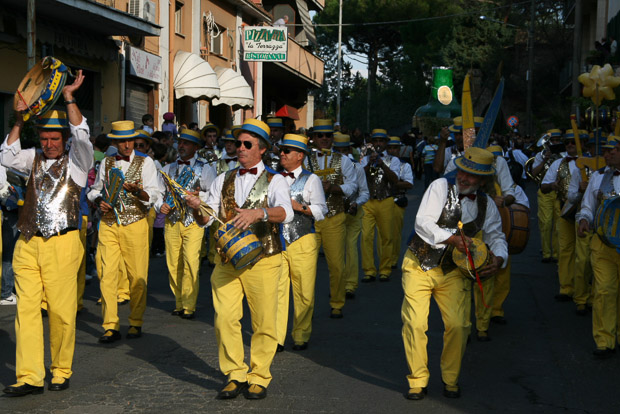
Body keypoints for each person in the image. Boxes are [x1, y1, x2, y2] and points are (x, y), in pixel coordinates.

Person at [2, 70, 93, 396]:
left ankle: (60, 369)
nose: (49, 144)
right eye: (44, 138)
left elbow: (82, 136)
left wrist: (69, 98)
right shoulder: (32, 158)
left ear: (64, 139)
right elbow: (6, 156)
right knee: (26, 311)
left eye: (55, 139)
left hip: (62, 244)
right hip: (28, 243)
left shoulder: (78, 163)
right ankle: (29, 376)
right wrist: (18, 121)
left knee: (60, 311)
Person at [188, 119, 293, 400]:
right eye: (238, 143)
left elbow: (286, 212)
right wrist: (197, 207)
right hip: (227, 260)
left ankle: (259, 376)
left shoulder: (276, 180)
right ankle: (235, 373)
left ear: (262, 149)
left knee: (264, 322)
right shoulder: (223, 178)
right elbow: (207, 218)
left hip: (264, 259)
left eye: (248, 144)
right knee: (224, 318)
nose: (241, 148)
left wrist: (260, 213)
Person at [402, 147, 507, 400]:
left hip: (455, 271)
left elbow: (496, 235)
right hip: (419, 264)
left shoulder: (487, 204)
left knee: (459, 326)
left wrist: (500, 258)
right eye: (462, 171)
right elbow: (423, 222)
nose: (464, 178)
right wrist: (451, 239)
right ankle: (417, 380)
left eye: (471, 175)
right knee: (415, 323)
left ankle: (450, 379)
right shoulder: (439, 186)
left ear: (483, 180)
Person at [88, 120, 160, 344]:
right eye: (122, 142)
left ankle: (136, 321)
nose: (127, 145)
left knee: (137, 276)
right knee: (107, 275)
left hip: (135, 223)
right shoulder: (107, 162)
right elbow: (95, 190)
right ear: (115, 143)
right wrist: (99, 201)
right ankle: (110, 325)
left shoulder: (146, 162)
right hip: (109, 224)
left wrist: (138, 191)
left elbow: (154, 194)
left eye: (130, 141)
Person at [275, 134, 327, 352]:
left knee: (304, 290)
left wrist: (300, 207)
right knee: (277, 291)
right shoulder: (274, 178)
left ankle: (301, 334)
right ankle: (276, 337)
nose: (282, 154)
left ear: (300, 156)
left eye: (287, 151)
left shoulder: (311, 179)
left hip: (303, 239)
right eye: (281, 150)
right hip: (278, 240)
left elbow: (321, 210)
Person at [157, 128, 216, 319]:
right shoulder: (168, 168)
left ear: (196, 147)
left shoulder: (205, 168)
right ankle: (179, 302)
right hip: (172, 221)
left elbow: (213, 194)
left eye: (186, 143)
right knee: (173, 263)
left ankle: (189, 305)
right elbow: (157, 193)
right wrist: (160, 205)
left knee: (191, 262)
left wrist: (199, 196)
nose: (181, 146)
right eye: (180, 142)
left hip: (194, 221)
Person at [305, 119, 357, 318]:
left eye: (328, 135)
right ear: (313, 138)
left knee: (336, 265)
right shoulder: (304, 159)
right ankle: (305, 307)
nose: (324, 139)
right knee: (306, 267)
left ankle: (337, 303)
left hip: (334, 217)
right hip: (310, 218)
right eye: (320, 135)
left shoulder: (343, 160)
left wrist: (335, 188)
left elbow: (353, 185)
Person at [577, 135, 620, 358]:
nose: (607, 154)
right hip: (602, 244)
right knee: (604, 290)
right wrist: (584, 219)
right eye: (605, 150)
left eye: (613, 150)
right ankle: (604, 340)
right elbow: (587, 206)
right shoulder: (597, 177)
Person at [541, 131, 582, 302]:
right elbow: (543, 186)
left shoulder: (591, 163)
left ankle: (584, 292)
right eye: (567, 142)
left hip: (584, 211)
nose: (570, 145)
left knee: (584, 253)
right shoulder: (558, 163)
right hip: (564, 210)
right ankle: (566, 287)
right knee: (565, 249)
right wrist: (552, 185)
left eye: (573, 142)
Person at [360, 129, 401, 282]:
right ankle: (369, 270)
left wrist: (382, 164)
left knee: (386, 237)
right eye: (376, 141)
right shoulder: (364, 159)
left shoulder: (393, 160)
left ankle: (385, 269)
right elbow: (358, 177)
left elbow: (395, 180)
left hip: (386, 200)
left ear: (385, 143)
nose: (378, 144)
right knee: (366, 237)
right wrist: (369, 163)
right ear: (372, 143)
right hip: (368, 201)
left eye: (381, 141)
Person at [333, 134, 369, 299]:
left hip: (352, 212)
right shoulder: (328, 168)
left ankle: (350, 285)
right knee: (335, 252)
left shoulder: (357, 167)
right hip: (333, 213)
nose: (340, 154)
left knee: (350, 247)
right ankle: (337, 285)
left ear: (349, 150)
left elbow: (365, 193)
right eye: (337, 150)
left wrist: (356, 203)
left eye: (343, 150)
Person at [386, 137, 414, 269]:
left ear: (399, 149)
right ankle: (385, 258)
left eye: (395, 148)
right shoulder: (381, 163)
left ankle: (392, 259)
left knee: (395, 233)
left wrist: (393, 182)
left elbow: (409, 184)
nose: (392, 151)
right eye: (390, 148)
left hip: (397, 200)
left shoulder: (405, 165)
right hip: (382, 200)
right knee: (383, 233)